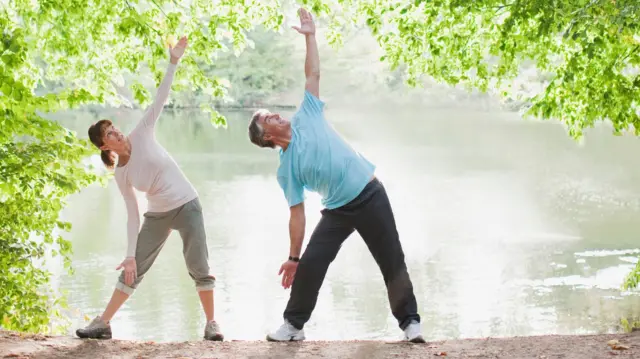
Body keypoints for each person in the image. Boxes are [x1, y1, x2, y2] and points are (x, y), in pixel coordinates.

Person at [247, 8, 425, 343]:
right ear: (266, 137)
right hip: (338, 209)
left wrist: (311, 36)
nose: (276, 114)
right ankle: (293, 326)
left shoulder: (307, 115)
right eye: (268, 118)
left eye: (272, 112)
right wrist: (292, 257)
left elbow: (313, 73)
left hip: (369, 194)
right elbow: (296, 214)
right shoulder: (286, 169)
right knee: (311, 263)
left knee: (391, 259)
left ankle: (410, 323)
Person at [77, 36, 223, 341]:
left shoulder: (142, 132)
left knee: (199, 265)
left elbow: (160, 97)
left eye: (112, 126)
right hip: (158, 215)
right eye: (109, 134)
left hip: (186, 205)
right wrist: (129, 254)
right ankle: (103, 323)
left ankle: (211, 324)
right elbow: (133, 215)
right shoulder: (121, 173)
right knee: (133, 268)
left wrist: (173, 61)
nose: (115, 131)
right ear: (106, 146)